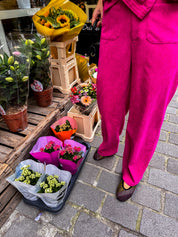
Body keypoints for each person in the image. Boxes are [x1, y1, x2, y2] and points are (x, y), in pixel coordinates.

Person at [91, 0, 178, 201]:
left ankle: (133, 168)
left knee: (148, 106)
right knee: (108, 96)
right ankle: (110, 143)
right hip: (118, 13)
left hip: (161, 14)